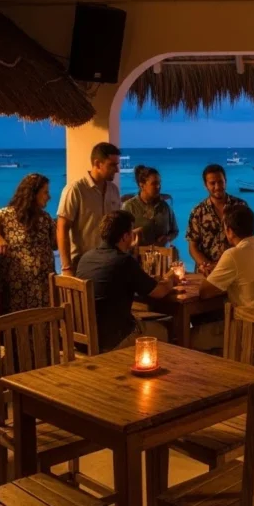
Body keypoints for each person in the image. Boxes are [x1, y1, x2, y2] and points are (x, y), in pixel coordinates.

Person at [76, 210, 180, 352]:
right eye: (131, 232)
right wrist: (171, 279)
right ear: (125, 236)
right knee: (167, 329)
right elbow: (159, 292)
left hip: (83, 339)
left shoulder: (86, 257)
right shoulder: (123, 261)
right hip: (113, 339)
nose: (134, 235)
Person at [193, 206, 254, 351]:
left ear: (229, 231)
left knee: (190, 336)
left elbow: (205, 292)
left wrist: (212, 276)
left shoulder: (233, 255)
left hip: (249, 331)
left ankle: (220, 372)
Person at [0, 173, 57, 313]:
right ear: (32, 194)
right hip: (17, 287)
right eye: (45, 192)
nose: (49, 196)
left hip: (43, 286)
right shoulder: (6, 215)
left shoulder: (45, 218)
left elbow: (55, 244)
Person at [57, 142, 122, 276]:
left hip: (109, 262)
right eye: (112, 165)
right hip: (82, 264)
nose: (117, 170)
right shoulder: (75, 190)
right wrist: (66, 267)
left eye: (117, 165)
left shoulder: (113, 190)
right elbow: (62, 228)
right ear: (98, 164)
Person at [186, 164, 248, 276]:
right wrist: (207, 265)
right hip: (207, 272)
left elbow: (247, 240)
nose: (217, 186)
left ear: (226, 181)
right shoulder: (198, 212)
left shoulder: (240, 206)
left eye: (220, 182)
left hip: (235, 270)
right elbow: (192, 246)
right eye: (212, 183)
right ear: (205, 185)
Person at [122, 165, 179, 247]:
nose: (158, 187)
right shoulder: (129, 207)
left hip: (160, 257)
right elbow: (121, 237)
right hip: (136, 257)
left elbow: (175, 231)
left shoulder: (164, 207)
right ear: (142, 185)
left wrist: (167, 238)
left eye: (159, 183)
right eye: (154, 184)